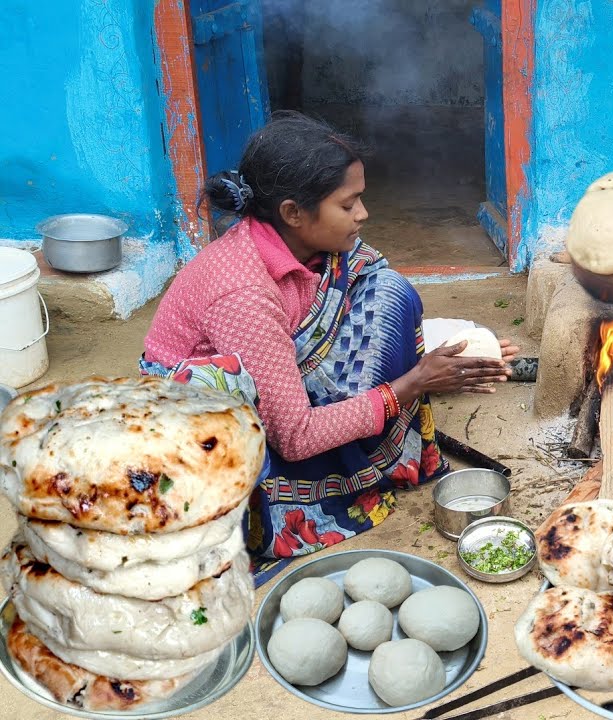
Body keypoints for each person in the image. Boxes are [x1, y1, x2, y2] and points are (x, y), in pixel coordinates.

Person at [141, 111, 518, 579]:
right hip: (203, 422)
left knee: (386, 291)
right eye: (348, 204)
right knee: (313, 427)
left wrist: (456, 356)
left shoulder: (306, 249)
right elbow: (294, 438)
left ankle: (368, 434)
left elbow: (350, 323)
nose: (363, 214)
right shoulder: (243, 294)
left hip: (272, 373)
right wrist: (411, 384)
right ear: (293, 213)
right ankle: (315, 490)